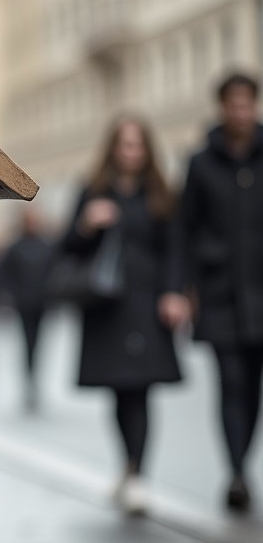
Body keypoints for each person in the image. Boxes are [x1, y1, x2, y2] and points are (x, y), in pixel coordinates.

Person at [61, 116, 189, 514]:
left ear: (147, 150)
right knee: (119, 391)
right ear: (113, 148)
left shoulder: (160, 194)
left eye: (137, 145)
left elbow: (174, 249)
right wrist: (87, 224)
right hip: (106, 307)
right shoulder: (94, 191)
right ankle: (129, 466)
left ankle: (137, 475)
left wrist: (174, 293)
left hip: (147, 304)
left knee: (141, 390)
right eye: (124, 144)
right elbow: (67, 248)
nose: (130, 152)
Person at [181, 71, 263, 513]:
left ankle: (241, 463)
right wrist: (182, 286)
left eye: (247, 103)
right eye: (233, 103)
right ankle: (236, 472)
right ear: (222, 107)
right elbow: (184, 227)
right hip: (220, 295)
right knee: (230, 382)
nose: (241, 111)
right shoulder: (201, 163)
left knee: (253, 387)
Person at [0, 207, 55, 412]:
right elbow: (4, 276)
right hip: (23, 304)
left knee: (38, 346)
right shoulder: (16, 247)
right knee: (27, 345)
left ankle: (34, 382)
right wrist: (6, 298)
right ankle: (28, 384)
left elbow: (55, 272)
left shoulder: (47, 246)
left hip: (41, 304)